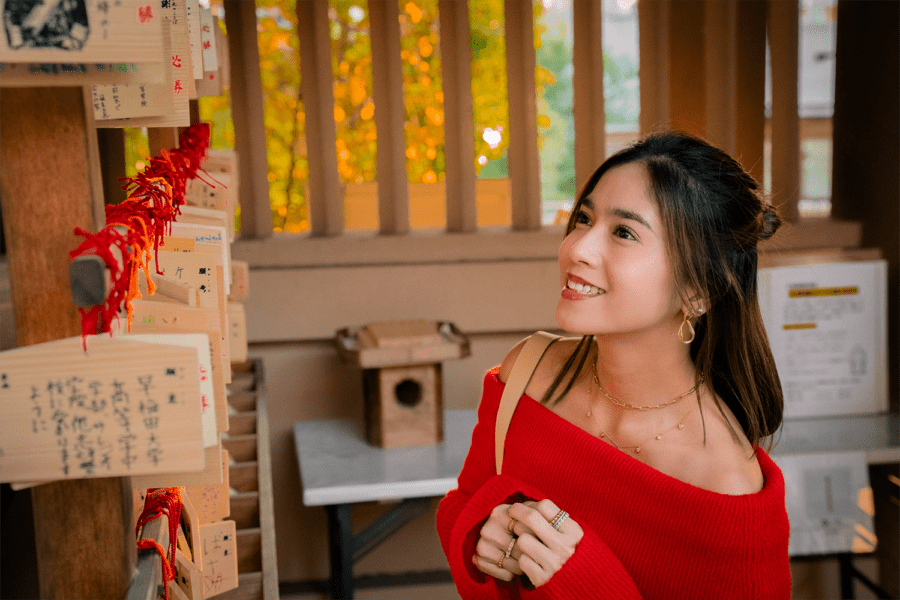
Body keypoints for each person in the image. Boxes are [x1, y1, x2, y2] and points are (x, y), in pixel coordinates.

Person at [436, 131, 791, 599]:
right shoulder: (526, 373)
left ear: (698, 289)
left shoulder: (728, 488)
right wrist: (482, 534)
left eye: (623, 232)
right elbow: (461, 506)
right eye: (583, 219)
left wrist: (582, 581)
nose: (577, 248)